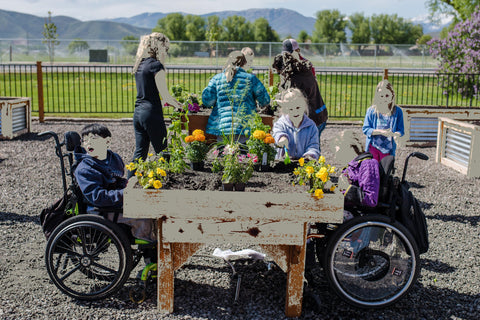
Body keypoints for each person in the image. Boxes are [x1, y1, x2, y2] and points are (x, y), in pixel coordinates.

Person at [74, 123, 156, 242]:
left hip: (113, 202)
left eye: (94, 139)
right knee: (143, 216)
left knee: (152, 208)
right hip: (99, 210)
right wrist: (125, 194)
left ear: (107, 142)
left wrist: (129, 186)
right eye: (85, 141)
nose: (89, 144)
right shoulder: (85, 169)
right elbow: (97, 197)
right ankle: (148, 249)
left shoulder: (111, 159)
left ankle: (152, 241)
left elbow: (117, 180)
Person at [129, 32, 182, 177]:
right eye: (166, 48)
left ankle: (127, 186)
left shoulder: (140, 64)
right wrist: (180, 106)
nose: (167, 52)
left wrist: (173, 102)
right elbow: (165, 96)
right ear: (161, 47)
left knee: (139, 154)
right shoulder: (156, 66)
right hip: (151, 114)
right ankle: (169, 183)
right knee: (164, 152)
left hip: (138, 113)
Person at [202, 50, 270, 141]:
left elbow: (207, 101)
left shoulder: (217, 79)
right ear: (244, 63)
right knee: (243, 154)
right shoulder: (251, 79)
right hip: (244, 128)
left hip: (222, 128)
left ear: (228, 62)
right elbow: (265, 100)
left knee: (223, 154)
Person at [272, 47, 327, 152]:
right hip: (321, 112)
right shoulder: (304, 72)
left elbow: (293, 99)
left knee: (309, 147)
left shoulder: (294, 79)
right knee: (313, 147)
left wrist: (280, 102)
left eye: (280, 72)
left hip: (313, 117)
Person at [334, 129, 381, 211]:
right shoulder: (352, 165)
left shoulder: (368, 165)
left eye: (339, 153)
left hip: (358, 212)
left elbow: (370, 200)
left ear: (350, 148)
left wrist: (348, 188)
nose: (336, 158)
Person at [272, 88, 320, 160]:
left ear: (304, 106)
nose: (295, 112)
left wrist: (310, 155)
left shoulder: (311, 126)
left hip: (303, 165)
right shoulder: (281, 123)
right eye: (291, 109)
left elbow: (313, 145)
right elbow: (277, 132)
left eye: (298, 108)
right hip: (283, 162)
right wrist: (281, 137)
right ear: (285, 110)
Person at [362, 79, 405, 162]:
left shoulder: (397, 111)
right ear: (377, 96)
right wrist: (381, 132)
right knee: (373, 170)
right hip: (373, 147)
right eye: (381, 96)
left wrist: (396, 135)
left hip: (388, 149)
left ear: (392, 95)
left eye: (387, 95)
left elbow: (400, 130)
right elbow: (366, 129)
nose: (384, 98)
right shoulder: (372, 111)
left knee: (385, 171)